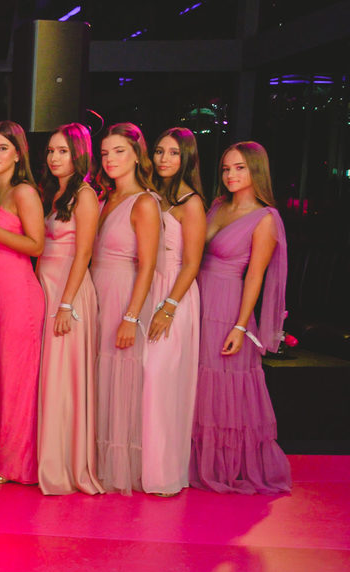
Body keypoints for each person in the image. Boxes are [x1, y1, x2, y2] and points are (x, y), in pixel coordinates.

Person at [191, 141, 291, 494]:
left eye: (239, 168)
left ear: (256, 171)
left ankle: (224, 466)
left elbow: (255, 277)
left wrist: (239, 325)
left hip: (228, 308)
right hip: (198, 300)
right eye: (226, 169)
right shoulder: (218, 205)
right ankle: (193, 460)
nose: (230, 175)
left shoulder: (265, 218)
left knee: (222, 386)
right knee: (197, 384)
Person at [0, 120, 45, 485]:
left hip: (19, 294)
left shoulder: (23, 192)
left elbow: (37, 245)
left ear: (18, 155)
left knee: (16, 378)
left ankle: (14, 463)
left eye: (2, 148)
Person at [34, 122, 103, 495]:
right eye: (50, 151)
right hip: (46, 287)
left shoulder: (85, 195)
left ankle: (64, 463)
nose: (54, 157)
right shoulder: (52, 192)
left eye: (62, 151)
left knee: (64, 378)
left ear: (79, 154)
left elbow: (84, 252)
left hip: (68, 291)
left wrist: (66, 303)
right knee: (49, 376)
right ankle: (46, 457)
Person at [91, 122, 159, 494]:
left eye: (119, 151)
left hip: (123, 295)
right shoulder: (105, 198)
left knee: (119, 378)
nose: (110, 159)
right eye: (105, 153)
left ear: (136, 155)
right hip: (97, 291)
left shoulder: (144, 202)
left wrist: (131, 317)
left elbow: (148, 265)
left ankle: (117, 467)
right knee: (98, 377)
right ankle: (93, 461)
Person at [144, 127, 204, 496]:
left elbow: (192, 263)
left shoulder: (190, 203)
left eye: (174, 153)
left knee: (161, 379)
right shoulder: (149, 195)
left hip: (175, 295)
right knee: (141, 378)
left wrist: (168, 308)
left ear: (187, 159)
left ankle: (163, 470)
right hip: (146, 287)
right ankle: (137, 466)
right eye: (160, 151)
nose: (164, 159)